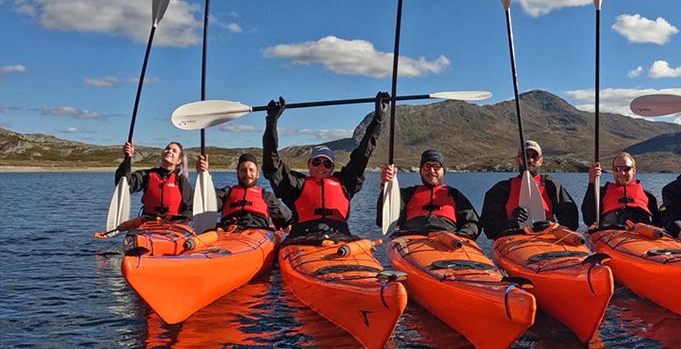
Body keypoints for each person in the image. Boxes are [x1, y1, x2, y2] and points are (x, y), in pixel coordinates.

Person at [263, 92, 388, 240]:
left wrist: (378, 120)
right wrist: (271, 123)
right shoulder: (295, 186)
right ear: (309, 165)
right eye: (316, 162)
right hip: (302, 238)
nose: (321, 167)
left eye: (327, 163)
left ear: (332, 168)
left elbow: (363, 153)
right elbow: (272, 163)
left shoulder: (345, 184)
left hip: (340, 237)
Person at [481, 140, 579, 239]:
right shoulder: (501, 189)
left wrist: (553, 226)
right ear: (518, 160)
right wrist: (511, 223)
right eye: (525, 156)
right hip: (513, 240)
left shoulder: (550, 185)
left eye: (534, 156)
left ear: (540, 161)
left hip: (548, 238)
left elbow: (571, 220)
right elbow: (490, 229)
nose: (530, 160)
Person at [376, 149, 481, 239]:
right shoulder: (407, 194)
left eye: (436, 166)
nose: (431, 171)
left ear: (443, 171)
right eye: (427, 167)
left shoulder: (454, 194)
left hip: (447, 239)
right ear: (421, 171)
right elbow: (383, 220)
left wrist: (462, 236)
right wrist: (387, 186)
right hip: (411, 239)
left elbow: (473, 222)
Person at [195, 152, 291, 230]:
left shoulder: (266, 196)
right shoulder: (227, 193)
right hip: (228, 231)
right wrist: (203, 174)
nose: (247, 174)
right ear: (237, 173)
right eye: (243, 170)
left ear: (257, 174)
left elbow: (286, 220)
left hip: (257, 232)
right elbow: (207, 200)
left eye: (251, 170)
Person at [581, 151, 662, 229]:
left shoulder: (648, 196)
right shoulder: (600, 193)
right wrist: (592, 182)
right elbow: (589, 220)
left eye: (626, 169)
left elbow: (658, 223)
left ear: (634, 170)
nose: (622, 173)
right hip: (611, 234)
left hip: (642, 234)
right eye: (617, 169)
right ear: (613, 171)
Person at [115, 140, 192, 219]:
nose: (169, 151)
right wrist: (127, 158)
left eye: (174, 151)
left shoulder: (181, 180)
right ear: (162, 153)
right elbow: (124, 185)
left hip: (174, 224)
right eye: (167, 149)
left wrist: (180, 219)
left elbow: (190, 207)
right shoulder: (146, 175)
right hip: (148, 223)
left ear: (179, 161)